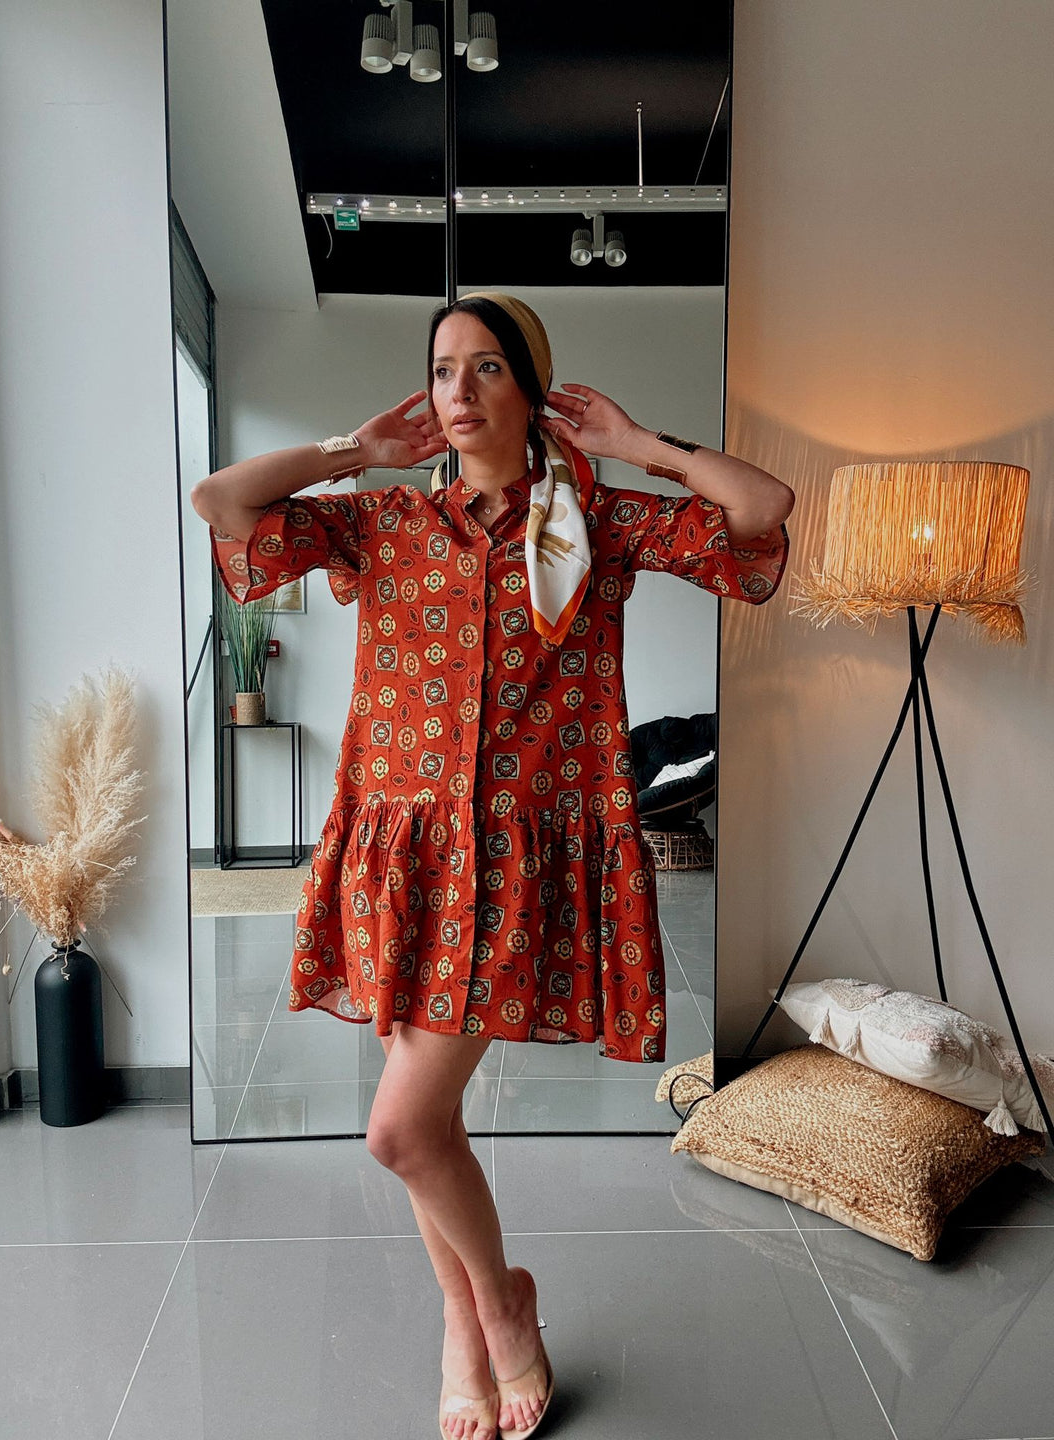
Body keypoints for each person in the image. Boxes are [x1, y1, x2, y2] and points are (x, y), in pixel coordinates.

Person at [191, 292, 793, 1440]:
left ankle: (507, 1314)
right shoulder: (380, 527)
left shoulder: (593, 525)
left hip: (519, 864)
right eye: (441, 371)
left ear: (529, 387)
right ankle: (471, 1324)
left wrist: (639, 447)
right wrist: (349, 453)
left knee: (400, 1131)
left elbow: (763, 513)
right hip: (399, 860)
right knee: (429, 1131)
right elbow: (220, 504)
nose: (458, 393)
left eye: (485, 370)